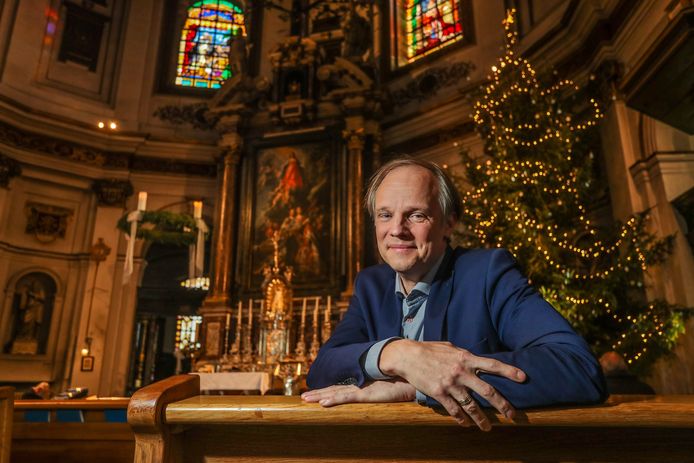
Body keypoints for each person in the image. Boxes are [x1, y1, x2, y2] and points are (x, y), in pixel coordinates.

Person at [303, 158, 607, 431]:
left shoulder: (487, 272)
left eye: (416, 215)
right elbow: (322, 370)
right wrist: (398, 354)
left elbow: (578, 367)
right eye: (385, 215)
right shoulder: (371, 284)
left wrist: (421, 386)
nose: (396, 229)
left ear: (449, 222)